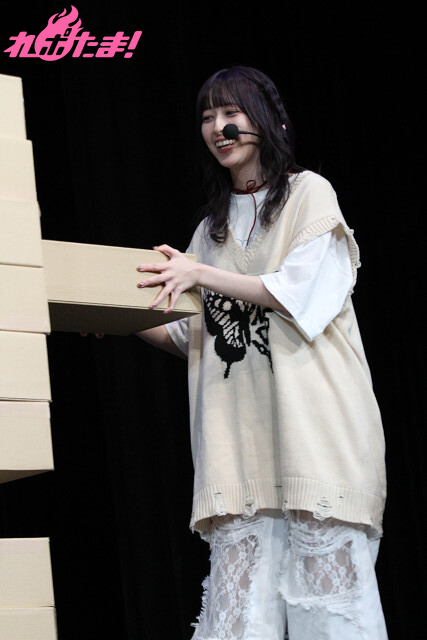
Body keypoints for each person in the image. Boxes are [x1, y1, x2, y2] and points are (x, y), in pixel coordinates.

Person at [136, 66, 388, 640]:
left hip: (315, 445)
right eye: (207, 117)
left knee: (331, 625)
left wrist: (199, 273)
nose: (217, 128)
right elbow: (188, 335)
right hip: (239, 458)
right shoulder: (211, 230)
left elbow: (300, 295)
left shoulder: (309, 194)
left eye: (231, 113)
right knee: (238, 628)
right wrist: (114, 318)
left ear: (267, 120)